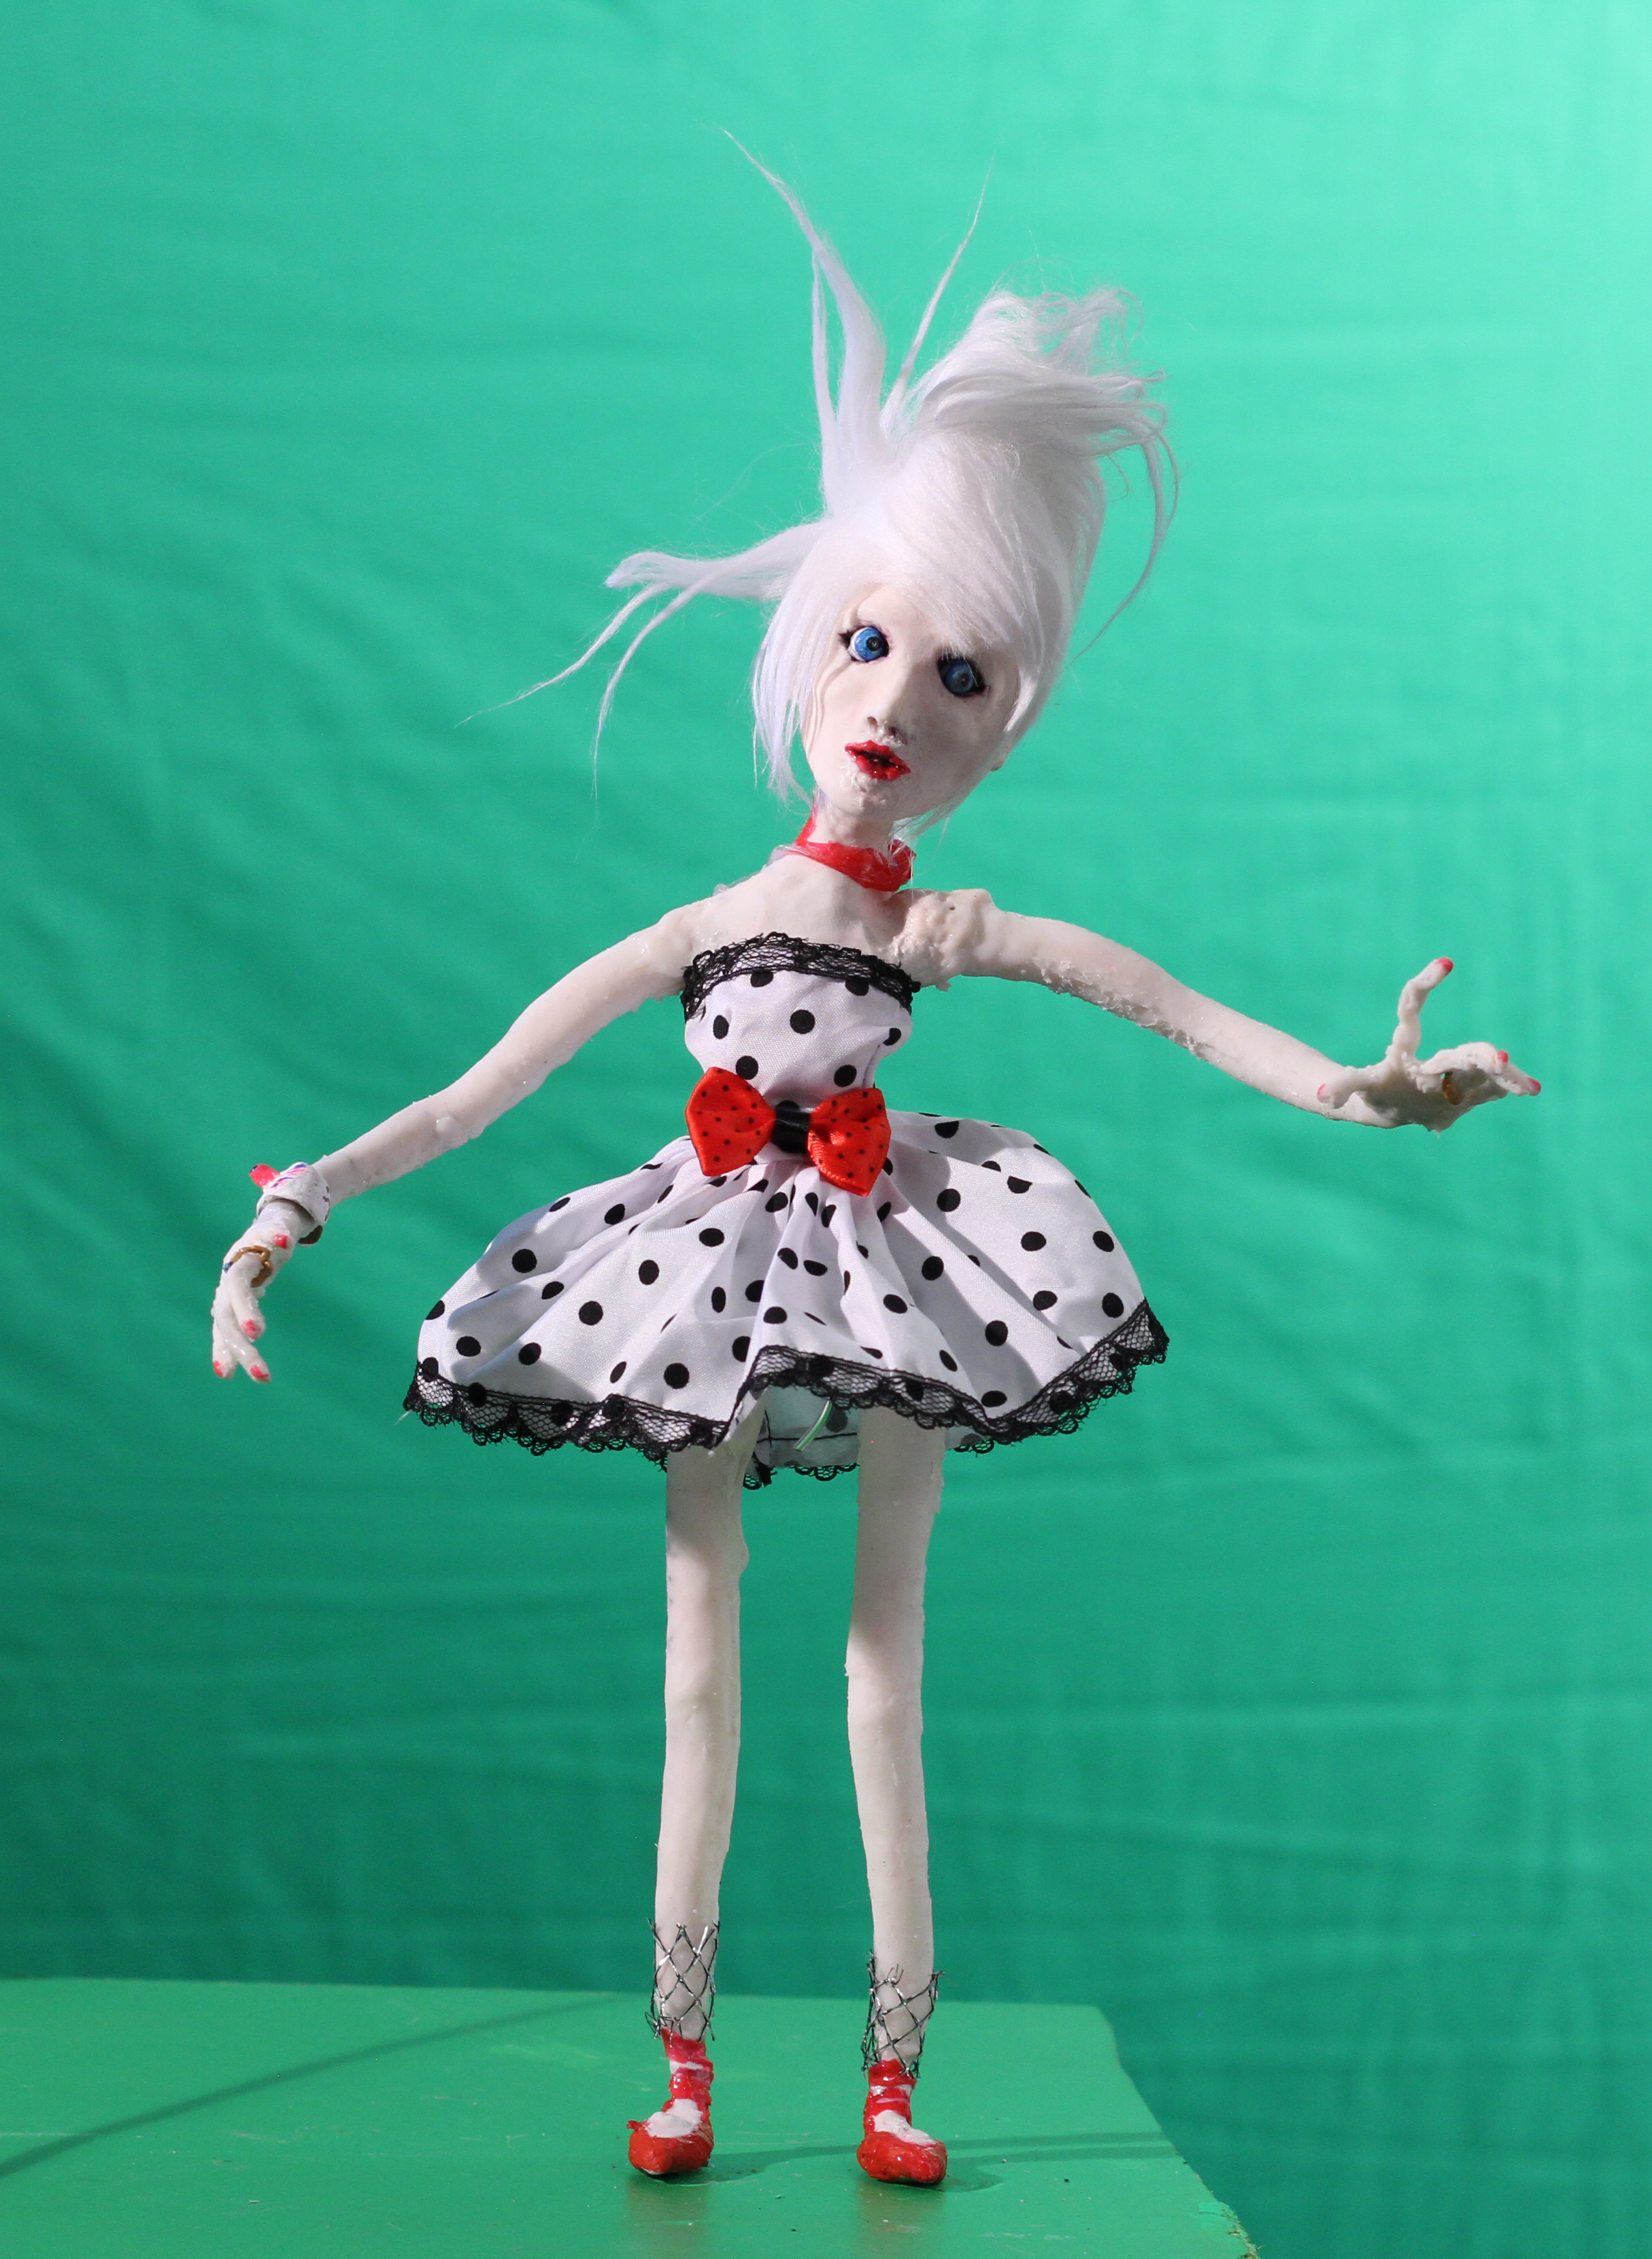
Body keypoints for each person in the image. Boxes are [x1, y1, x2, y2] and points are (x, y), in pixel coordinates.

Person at [210, 167, 1539, 2188]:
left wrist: (1373, 1091)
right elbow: (479, 1092)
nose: (903, 703)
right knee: (698, 1669)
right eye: (872, 644)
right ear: (809, 647)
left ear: (1002, 723)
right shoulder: (700, 927)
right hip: (698, 1270)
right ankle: (685, 2067)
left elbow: (1181, 1012)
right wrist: (295, 1201)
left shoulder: (947, 928)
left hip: (905, 1261)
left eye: (963, 678)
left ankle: (892, 2080)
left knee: (885, 1679)